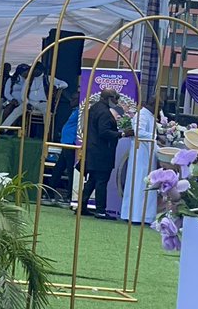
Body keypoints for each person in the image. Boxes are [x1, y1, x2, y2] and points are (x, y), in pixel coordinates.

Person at [79, 88, 122, 219]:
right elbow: (104, 132)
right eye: (116, 98)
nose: (117, 101)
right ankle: (100, 210)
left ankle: (82, 206)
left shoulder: (94, 108)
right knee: (101, 181)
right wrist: (122, 134)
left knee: (92, 180)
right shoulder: (104, 112)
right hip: (102, 151)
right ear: (109, 98)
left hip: (92, 149)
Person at [120, 90, 161, 224]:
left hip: (147, 153)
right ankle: (134, 215)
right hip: (140, 153)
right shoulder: (142, 115)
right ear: (153, 104)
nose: (160, 109)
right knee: (138, 182)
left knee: (146, 181)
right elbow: (139, 132)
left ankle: (145, 215)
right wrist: (155, 137)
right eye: (159, 106)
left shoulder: (150, 115)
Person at [1, 63, 67, 134]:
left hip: (43, 103)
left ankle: (47, 135)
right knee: (17, 110)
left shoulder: (48, 78)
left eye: (35, 69)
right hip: (30, 102)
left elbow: (65, 84)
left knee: (47, 112)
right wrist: (27, 102)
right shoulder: (29, 79)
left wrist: (57, 86)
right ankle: (3, 128)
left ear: (40, 70)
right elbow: (23, 94)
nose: (33, 71)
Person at [46, 90, 80, 202]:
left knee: (68, 170)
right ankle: (50, 192)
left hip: (71, 143)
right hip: (66, 142)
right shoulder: (74, 111)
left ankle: (69, 195)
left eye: (74, 99)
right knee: (59, 168)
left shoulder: (80, 112)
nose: (71, 101)